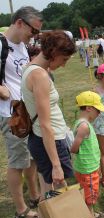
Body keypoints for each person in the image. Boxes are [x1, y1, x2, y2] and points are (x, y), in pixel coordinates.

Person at [21, 30, 76, 198]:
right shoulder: (40, 76)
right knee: (60, 189)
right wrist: (56, 165)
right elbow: (45, 123)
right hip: (49, 140)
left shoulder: (30, 68)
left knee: (49, 189)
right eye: (64, 59)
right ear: (54, 52)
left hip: (43, 138)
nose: (64, 64)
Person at [0, 6, 42, 218]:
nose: (33, 36)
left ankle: (34, 196)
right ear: (19, 23)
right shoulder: (0, 44)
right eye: (33, 31)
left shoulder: (22, 46)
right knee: (17, 161)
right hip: (10, 114)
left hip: (26, 110)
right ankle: (21, 211)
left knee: (30, 156)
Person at [70, 91, 104, 218]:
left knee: (87, 193)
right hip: (87, 170)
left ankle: (91, 214)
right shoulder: (84, 126)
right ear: (89, 108)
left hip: (87, 168)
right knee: (89, 196)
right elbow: (74, 148)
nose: (99, 113)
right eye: (97, 110)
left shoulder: (83, 124)